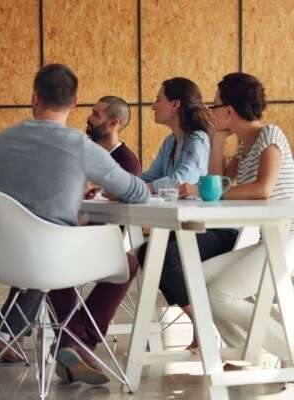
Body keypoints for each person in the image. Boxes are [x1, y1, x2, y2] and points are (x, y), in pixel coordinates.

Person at [0, 63, 150, 385]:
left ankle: (64, 341)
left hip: (3, 256)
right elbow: (137, 191)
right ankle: (75, 340)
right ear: (74, 102)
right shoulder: (79, 145)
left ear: (34, 97)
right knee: (126, 263)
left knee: (57, 247)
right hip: (53, 257)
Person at [179, 73, 294, 365]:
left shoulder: (270, 135)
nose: (210, 112)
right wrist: (217, 139)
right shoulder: (244, 146)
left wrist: (208, 192)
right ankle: (247, 352)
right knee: (197, 280)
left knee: (219, 295)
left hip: (289, 237)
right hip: (270, 238)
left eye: (214, 105)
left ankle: (288, 351)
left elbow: (262, 189)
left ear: (229, 110)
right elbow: (215, 185)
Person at [136, 77, 238, 352]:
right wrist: (123, 186)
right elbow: (151, 176)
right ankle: (202, 326)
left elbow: (183, 180)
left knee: (166, 257)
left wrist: (140, 188)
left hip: (216, 229)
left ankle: (204, 327)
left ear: (175, 104)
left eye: (158, 99)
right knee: (146, 252)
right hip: (190, 227)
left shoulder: (198, 139)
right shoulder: (171, 142)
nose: (153, 105)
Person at [86, 95, 141, 176]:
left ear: (113, 123)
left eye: (96, 115)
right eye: (92, 113)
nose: (89, 118)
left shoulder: (128, 165)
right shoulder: (83, 147)